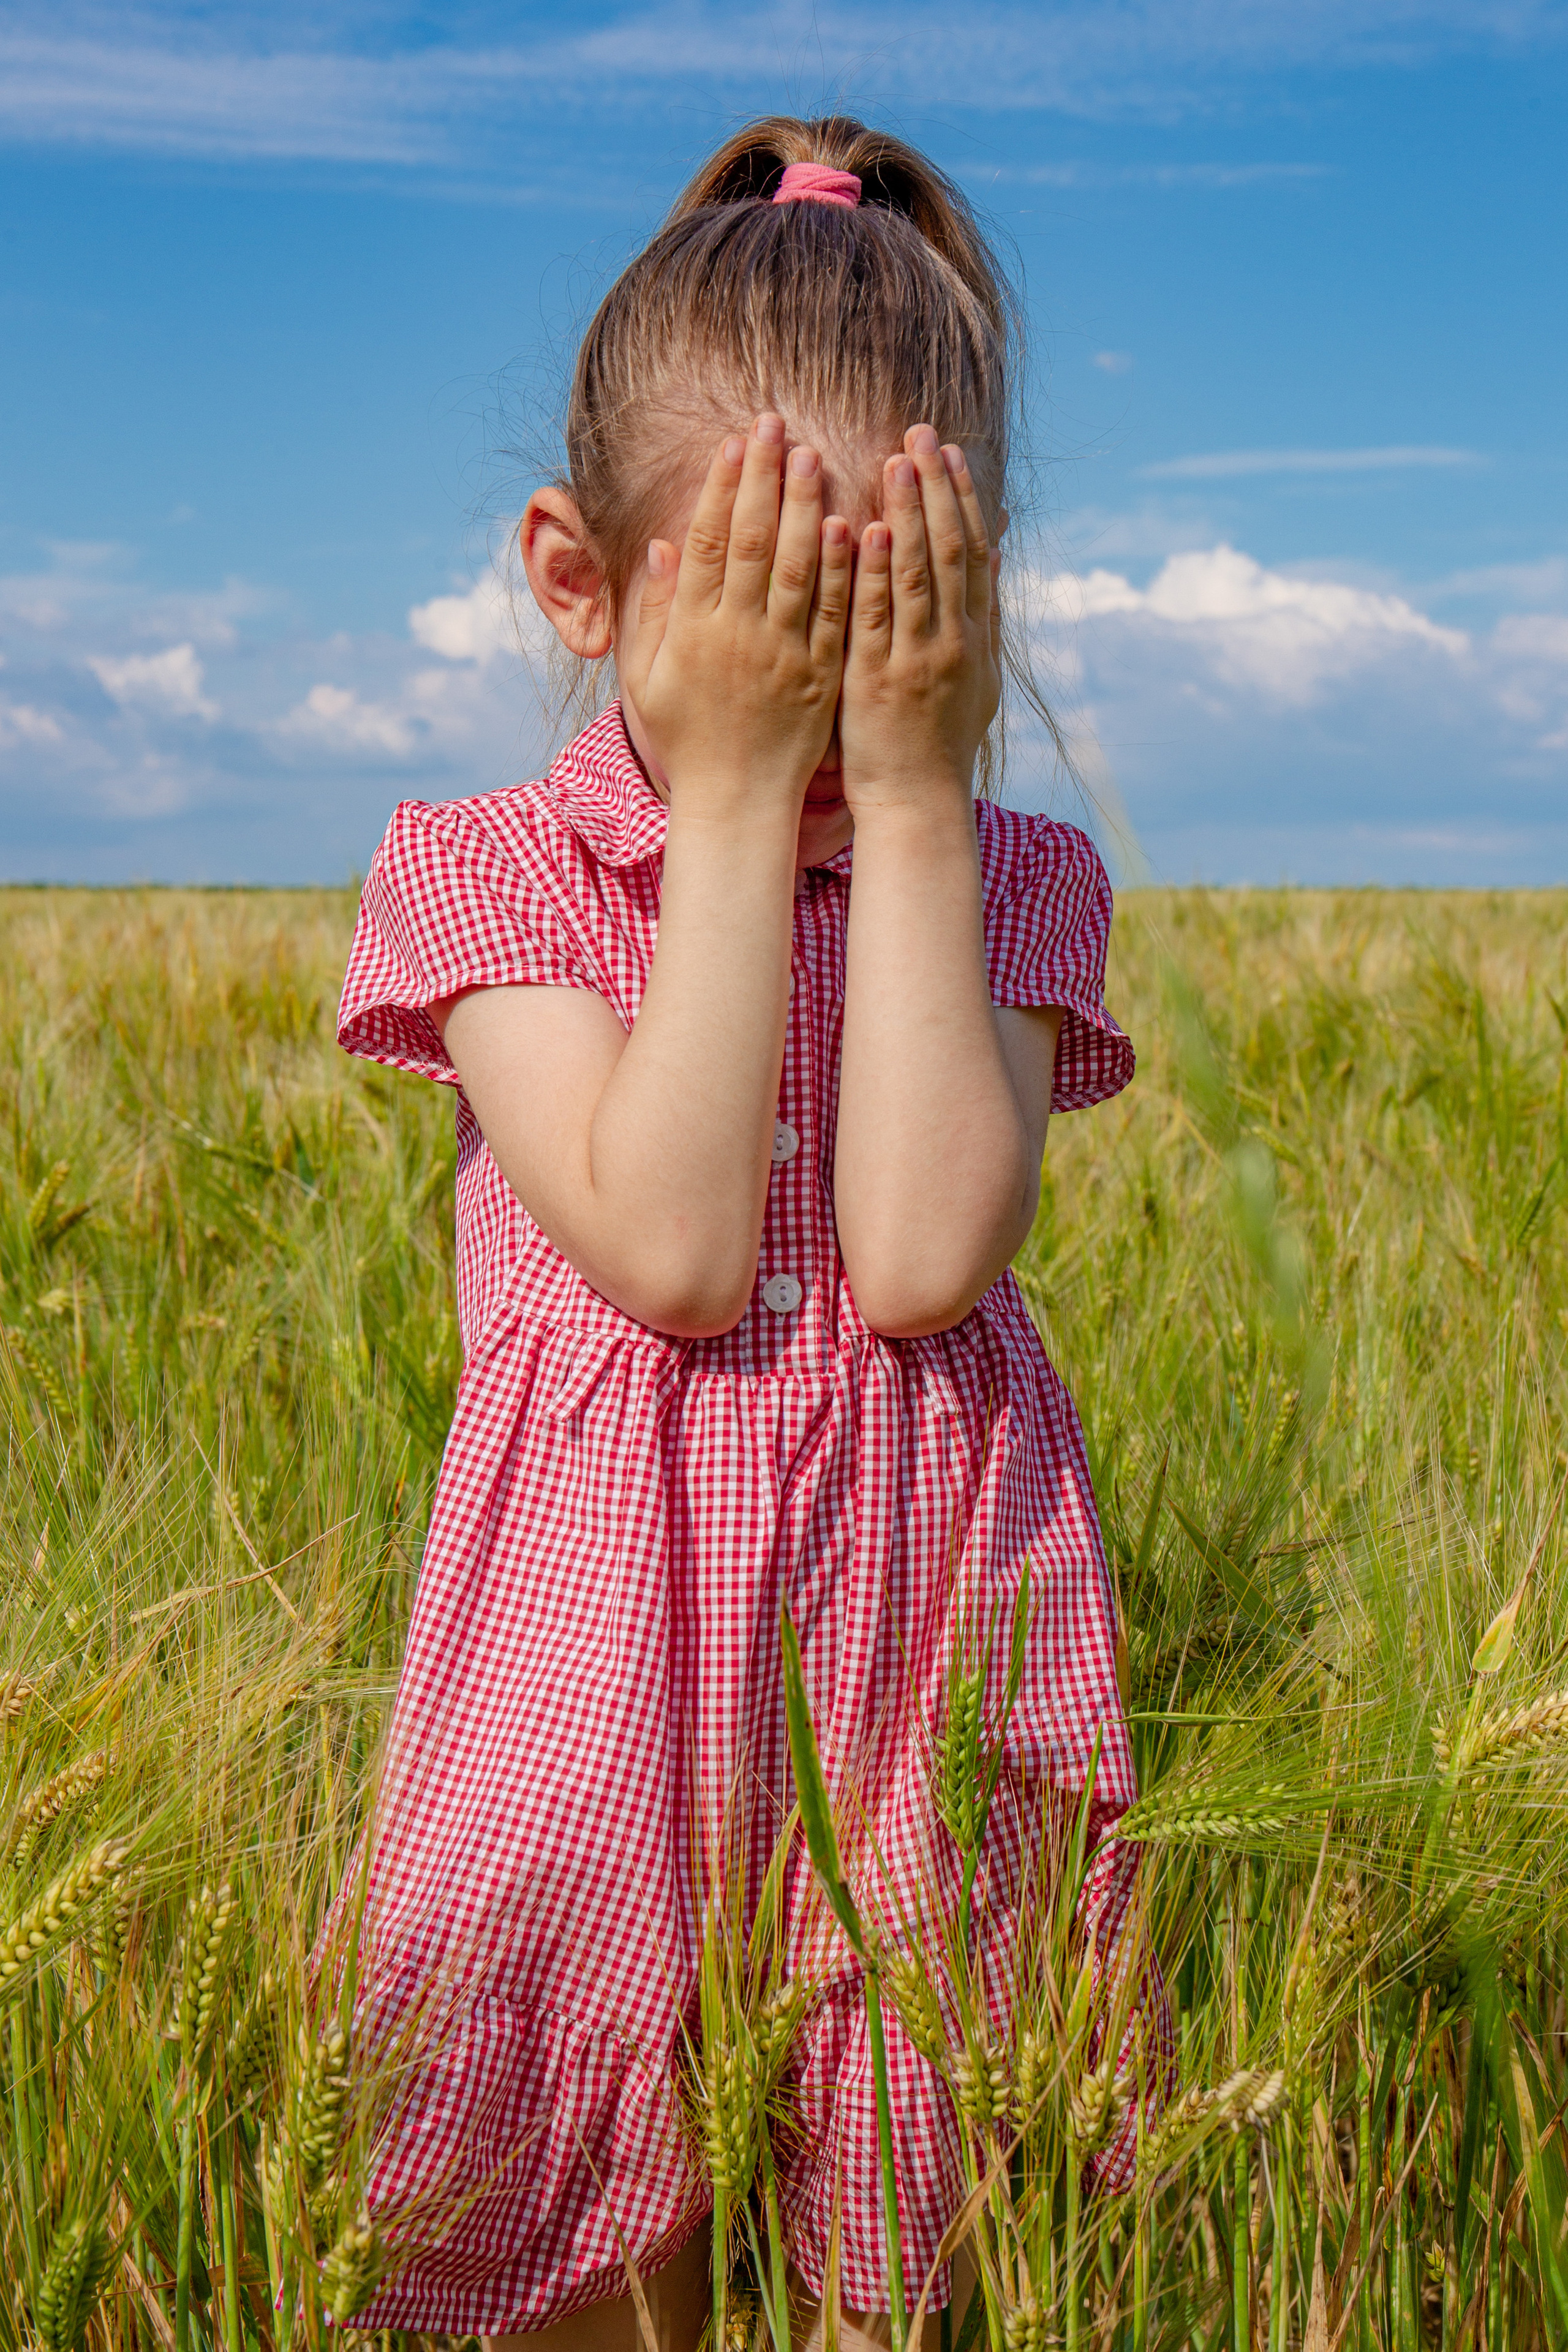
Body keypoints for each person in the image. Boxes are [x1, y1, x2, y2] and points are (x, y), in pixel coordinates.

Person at [337, 115, 1156, 2352]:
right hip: (599, 1649)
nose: (817, 698)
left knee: (908, 2226)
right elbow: (676, 1249)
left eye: (877, 624)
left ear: (968, 599)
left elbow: (919, 1259)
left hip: (922, 1635)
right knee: (572, 2250)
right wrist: (720, 794)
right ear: (581, 583)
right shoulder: (489, 872)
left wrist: (908, 791)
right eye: (767, 626)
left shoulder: (1007, 877)